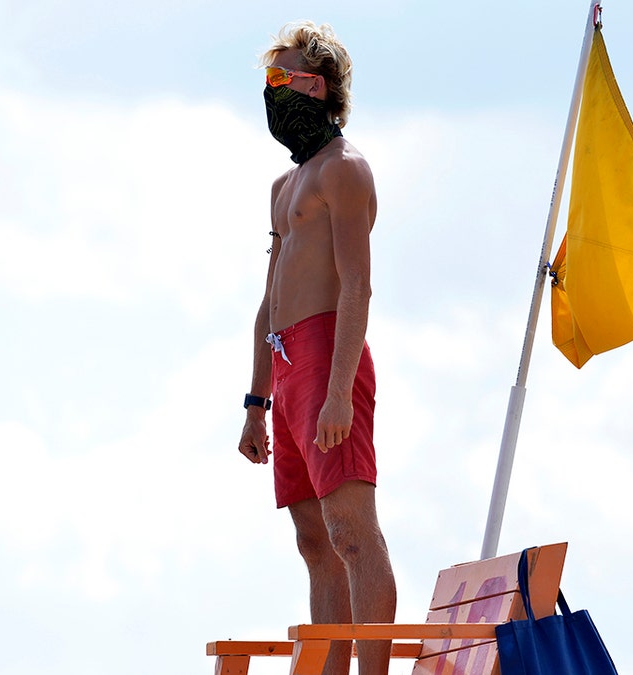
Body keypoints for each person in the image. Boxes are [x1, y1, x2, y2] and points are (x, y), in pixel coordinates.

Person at [237, 20, 397, 675]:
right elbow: (268, 298)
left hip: (332, 351)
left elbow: (358, 286)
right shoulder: (285, 186)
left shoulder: (347, 170)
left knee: (351, 532)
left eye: (285, 78)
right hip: (285, 360)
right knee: (313, 540)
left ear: (320, 85)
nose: (274, 93)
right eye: (268, 80)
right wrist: (255, 401)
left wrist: (336, 392)